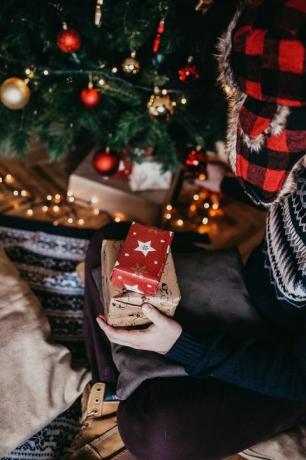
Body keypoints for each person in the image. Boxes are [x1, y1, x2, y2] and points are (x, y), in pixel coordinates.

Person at [66, 1, 306, 459]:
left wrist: (180, 344)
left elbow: (294, 374)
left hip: (289, 376)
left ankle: (125, 387)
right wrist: (227, 185)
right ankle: (130, 376)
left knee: (154, 431)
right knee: (111, 241)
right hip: (254, 300)